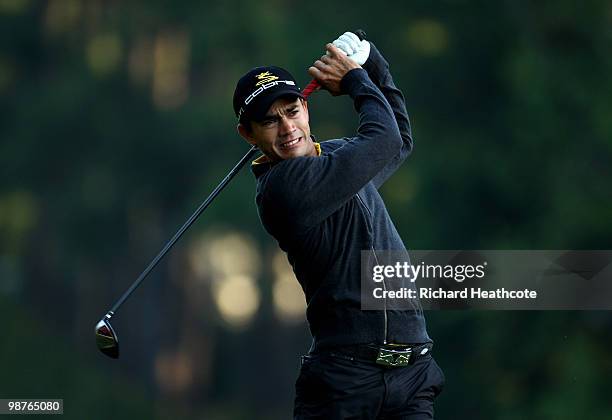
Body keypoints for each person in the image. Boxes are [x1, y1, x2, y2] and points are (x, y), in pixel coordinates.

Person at [233, 31, 445, 419]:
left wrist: (370, 60)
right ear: (248, 134)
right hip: (347, 382)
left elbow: (397, 139)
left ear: (306, 107)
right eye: (269, 121)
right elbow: (381, 140)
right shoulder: (283, 189)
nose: (286, 128)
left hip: (411, 374)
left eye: (292, 110)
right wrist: (353, 80)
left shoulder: (331, 159)